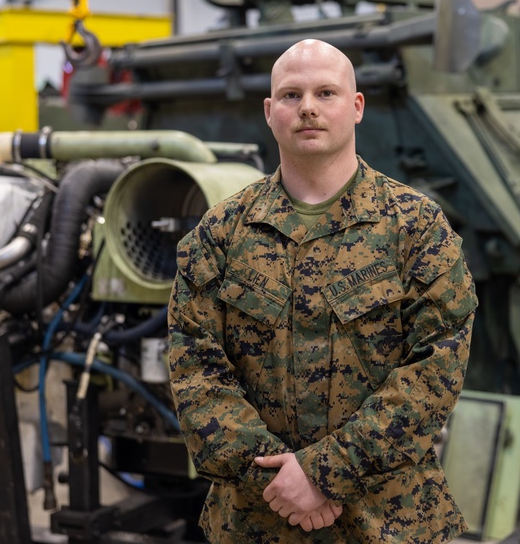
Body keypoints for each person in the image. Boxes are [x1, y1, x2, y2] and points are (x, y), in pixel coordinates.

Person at [168, 39, 477, 543]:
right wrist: (276, 480)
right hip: (257, 519)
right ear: (270, 113)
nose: (308, 107)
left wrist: (323, 473)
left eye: (326, 92)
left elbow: (435, 370)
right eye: (291, 95)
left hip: (388, 521)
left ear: (356, 107)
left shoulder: (415, 226)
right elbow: (195, 371)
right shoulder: (222, 233)